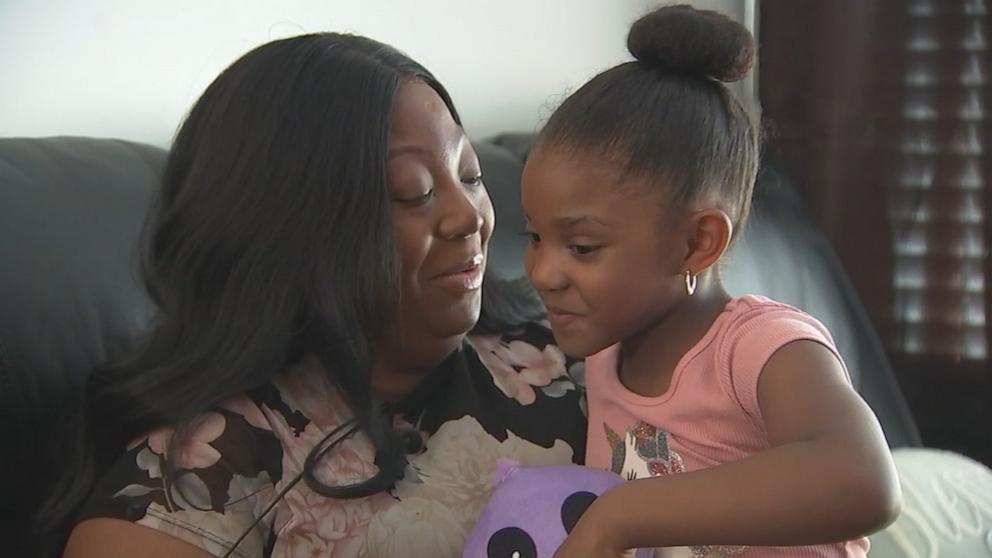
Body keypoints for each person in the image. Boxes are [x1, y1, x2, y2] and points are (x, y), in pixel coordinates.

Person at [39, 33, 587, 558]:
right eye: (414, 191)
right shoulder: (208, 467)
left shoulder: (564, 347)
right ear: (294, 226)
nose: (468, 217)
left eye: (469, 176)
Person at [520, 5, 901, 558]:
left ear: (697, 243)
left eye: (582, 247)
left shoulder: (759, 348)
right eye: (534, 237)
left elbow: (864, 479)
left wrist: (621, 516)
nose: (542, 272)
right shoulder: (604, 360)